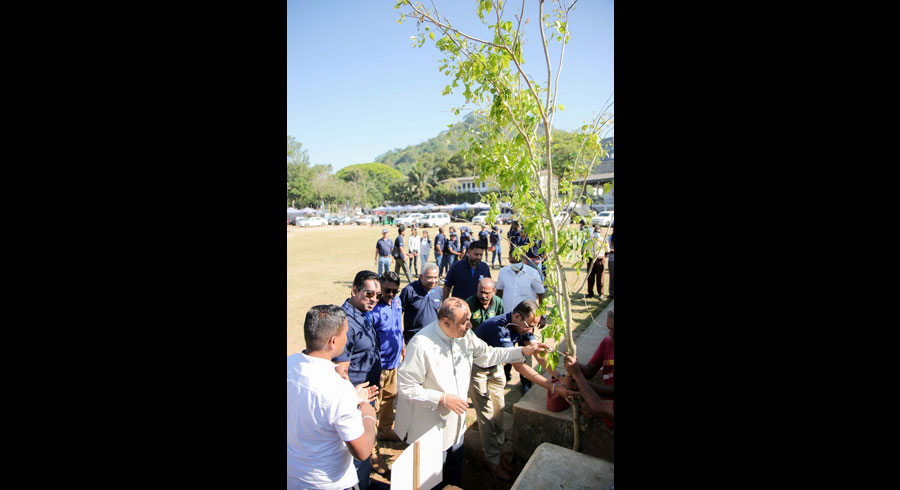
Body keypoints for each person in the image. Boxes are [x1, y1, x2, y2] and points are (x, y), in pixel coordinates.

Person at [395, 297, 550, 488]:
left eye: (469, 319)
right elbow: (406, 386)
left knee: (453, 475)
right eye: (464, 322)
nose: (469, 325)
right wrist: (442, 398)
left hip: (457, 427)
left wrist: (523, 351)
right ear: (445, 322)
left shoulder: (465, 335)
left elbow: (488, 355)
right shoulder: (421, 345)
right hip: (431, 429)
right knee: (431, 481)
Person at [471, 300, 579, 480]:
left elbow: (538, 353)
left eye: (534, 327)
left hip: (495, 368)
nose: (531, 330)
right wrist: (553, 387)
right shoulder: (499, 328)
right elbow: (519, 366)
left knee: (498, 412)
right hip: (478, 370)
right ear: (516, 316)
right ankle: (491, 461)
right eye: (529, 325)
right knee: (487, 416)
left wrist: (558, 375)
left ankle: (495, 453)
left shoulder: (523, 326)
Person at [287, 305, 378, 490]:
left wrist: (352, 398)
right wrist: (368, 414)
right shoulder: (338, 388)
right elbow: (362, 451)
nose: (347, 337)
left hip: (294, 477)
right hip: (329, 483)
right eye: (346, 333)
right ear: (333, 342)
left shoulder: (290, 364)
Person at [332, 270, 383, 489]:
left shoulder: (361, 313)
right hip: (354, 402)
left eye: (377, 296)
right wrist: (356, 399)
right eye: (369, 294)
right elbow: (340, 370)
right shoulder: (346, 322)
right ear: (354, 290)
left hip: (365, 398)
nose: (374, 299)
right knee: (356, 456)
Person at [495, 248, 545, 383]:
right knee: (506, 348)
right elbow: (499, 292)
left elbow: (541, 294)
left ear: (523, 259)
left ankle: (526, 381)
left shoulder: (532, 273)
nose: (514, 262)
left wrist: (543, 315)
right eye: (511, 260)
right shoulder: (503, 272)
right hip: (507, 319)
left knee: (527, 349)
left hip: (525, 321)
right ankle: (505, 375)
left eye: (516, 260)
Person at [370, 272, 405, 443]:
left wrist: (402, 345)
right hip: (379, 365)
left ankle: (384, 430)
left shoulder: (397, 302)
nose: (391, 295)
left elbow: (398, 325)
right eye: (387, 291)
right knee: (374, 402)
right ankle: (370, 437)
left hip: (394, 361)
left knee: (390, 397)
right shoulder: (372, 309)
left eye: (395, 291)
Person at [399, 262, 443, 344]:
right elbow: (398, 315)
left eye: (436, 277)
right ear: (421, 276)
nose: (433, 281)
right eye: (429, 278)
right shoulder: (409, 291)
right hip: (414, 339)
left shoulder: (439, 291)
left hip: (433, 338)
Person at [586, 225, 609, 299]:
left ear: (600, 232)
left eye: (598, 232)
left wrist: (602, 257)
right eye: (595, 232)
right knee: (590, 277)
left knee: (600, 278)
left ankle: (601, 294)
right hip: (591, 259)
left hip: (599, 260)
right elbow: (586, 249)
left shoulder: (603, 240)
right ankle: (590, 293)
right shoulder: (590, 239)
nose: (597, 233)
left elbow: (607, 250)